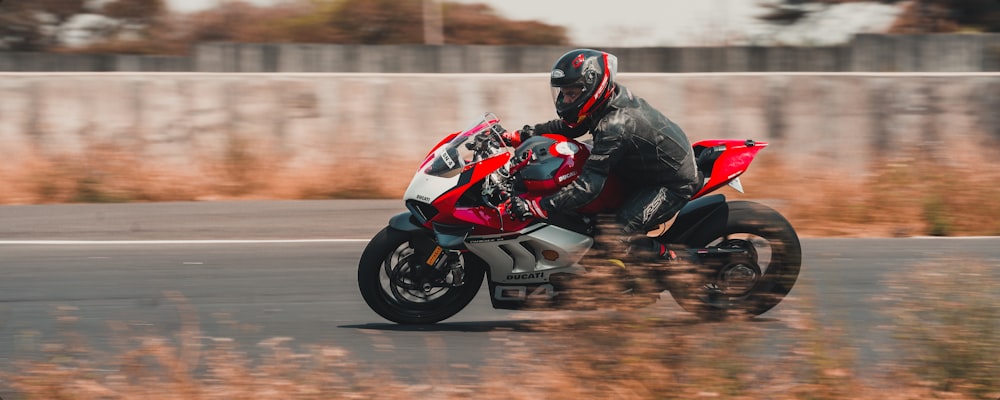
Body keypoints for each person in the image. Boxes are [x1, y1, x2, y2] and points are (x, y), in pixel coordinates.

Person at [503, 49, 700, 261]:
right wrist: (520, 136)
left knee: (612, 236)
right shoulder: (603, 100)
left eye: (572, 94)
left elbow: (589, 186)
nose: (565, 100)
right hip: (637, 167)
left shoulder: (614, 125)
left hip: (669, 182)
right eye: (563, 93)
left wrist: (539, 206)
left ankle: (675, 263)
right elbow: (570, 127)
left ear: (591, 87)